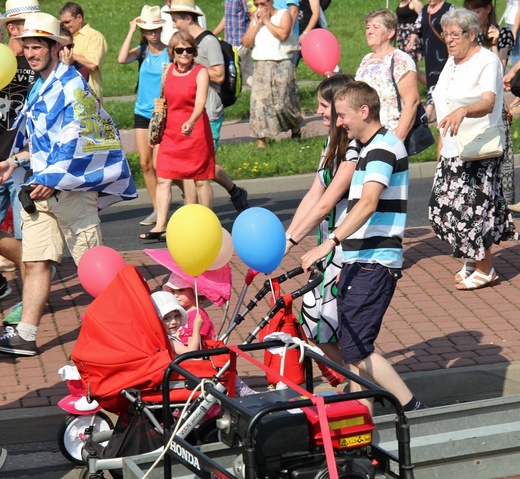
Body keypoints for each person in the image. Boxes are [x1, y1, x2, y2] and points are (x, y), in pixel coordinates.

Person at [0, 12, 137, 356]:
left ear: (54, 48)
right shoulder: (39, 87)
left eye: (37, 47)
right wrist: (15, 161)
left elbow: (84, 140)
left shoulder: (74, 85)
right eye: (27, 46)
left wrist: (51, 177)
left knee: (94, 269)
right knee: (34, 261)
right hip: (41, 192)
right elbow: (44, 143)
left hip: (71, 194)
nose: (30, 53)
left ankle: (127, 332)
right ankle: (27, 335)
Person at [301, 81, 424, 413]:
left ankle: (409, 405)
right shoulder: (367, 148)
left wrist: (329, 242)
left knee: (357, 349)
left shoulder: (383, 148)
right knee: (353, 346)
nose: (339, 122)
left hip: (374, 261)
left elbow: (368, 203)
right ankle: (361, 415)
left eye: (343, 115)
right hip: (360, 260)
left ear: (364, 112)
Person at [429, 8, 517, 291]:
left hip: (478, 147)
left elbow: (489, 102)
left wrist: (464, 110)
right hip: (453, 147)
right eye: (446, 35)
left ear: (472, 34)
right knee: (440, 209)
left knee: (472, 212)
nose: (449, 40)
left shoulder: (487, 61)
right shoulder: (452, 62)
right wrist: (442, 145)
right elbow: (444, 102)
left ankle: (485, 267)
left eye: (456, 35)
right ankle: (470, 255)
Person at [284, 74, 358, 367]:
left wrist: (290, 241)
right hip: (326, 246)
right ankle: (353, 384)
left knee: (331, 328)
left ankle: (360, 388)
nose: (319, 111)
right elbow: (314, 195)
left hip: (347, 246)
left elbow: (326, 203)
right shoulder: (330, 144)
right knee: (315, 325)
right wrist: (287, 235)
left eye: (324, 105)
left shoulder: (354, 149)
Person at [167, 0, 250, 213]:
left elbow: (219, 75)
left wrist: (192, 67)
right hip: (188, 114)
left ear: (187, 18)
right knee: (197, 168)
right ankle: (231, 192)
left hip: (209, 112)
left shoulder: (208, 41)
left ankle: (211, 207)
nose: (174, 25)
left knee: (202, 169)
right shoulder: (187, 42)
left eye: (176, 20)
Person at [140, 30, 215, 241]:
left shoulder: (200, 72)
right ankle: (161, 225)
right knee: (163, 178)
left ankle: (207, 222)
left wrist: (191, 121)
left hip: (195, 130)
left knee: (200, 179)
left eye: (189, 50)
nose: (185, 54)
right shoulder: (168, 70)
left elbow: (200, 102)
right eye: (180, 50)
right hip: (171, 132)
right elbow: (163, 100)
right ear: (172, 52)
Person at [0, 0, 42, 301]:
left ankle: (32, 302)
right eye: (27, 24)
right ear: (12, 28)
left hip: (24, 163)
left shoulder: (40, 62)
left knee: (29, 236)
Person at [162, 272, 256, 396]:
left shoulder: (197, 317)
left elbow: (192, 349)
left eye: (181, 290)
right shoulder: (180, 314)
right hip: (189, 360)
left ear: (195, 290)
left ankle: (243, 391)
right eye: (173, 292)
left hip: (200, 360)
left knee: (227, 377)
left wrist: (195, 327)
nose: (176, 295)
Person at [118, 5, 169, 228]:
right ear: (144, 31)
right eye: (149, 30)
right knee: (145, 164)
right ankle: (157, 209)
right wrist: (131, 30)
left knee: (160, 166)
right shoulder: (142, 51)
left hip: (161, 113)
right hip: (142, 113)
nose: (153, 34)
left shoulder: (170, 50)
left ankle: (180, 192)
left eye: (156, 29)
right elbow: (121, 59)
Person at [463, 0, 515, 207]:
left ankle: (501, 204)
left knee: (497, 154)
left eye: (476, 10)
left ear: (488, 9)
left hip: (492, 102)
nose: (473, 14)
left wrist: (493, 44)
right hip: (471, 99)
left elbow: (499, 72)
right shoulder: (467, 36)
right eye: (470, 10)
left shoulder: (502, 34)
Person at [242, 0, 303, 148]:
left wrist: (267, 21)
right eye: (257, 4)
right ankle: (261, 142)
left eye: (263, 3)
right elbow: (246, 42)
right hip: (261, 64)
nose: (260, 7)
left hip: (281, 63)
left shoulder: (283, 14)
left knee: (283, 104)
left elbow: (283, 34)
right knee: (259, 104)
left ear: (271, 2)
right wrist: (256, 25)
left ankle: (295, 128)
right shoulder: (256, 19)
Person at [355, 9, 421, 144]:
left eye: (375, 27)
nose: (369, 31)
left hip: (388, 137)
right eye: (368, 27)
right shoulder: (366, 59)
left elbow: (412, 102)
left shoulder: (399, 59)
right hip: (363, 138)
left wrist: (397, 141)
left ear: (390, 33)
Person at [406, 0, 454, 122]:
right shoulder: (424, 10)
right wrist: (411, 41)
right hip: (430, 51)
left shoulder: (448, 8)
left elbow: (455, 27)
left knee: (445, 77)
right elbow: (417, 27)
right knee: (432, 78)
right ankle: (431, 106)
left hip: (445, 50)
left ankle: (434, 107)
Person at [59, 2, 108, 100]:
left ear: (79, 18)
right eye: (62, 23)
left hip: (89, 95)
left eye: (67, 22)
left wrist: (70, 54)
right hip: (67, 91)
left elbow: (93, 64)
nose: (65, 26)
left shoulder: (94, 36)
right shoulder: (63, 35)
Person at [213, 0, 256, 88]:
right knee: (248, 75)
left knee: (228, 74)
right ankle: (263, 92)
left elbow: (253, 17)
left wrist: (251, 37)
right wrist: (213, 34)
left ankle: (225, 99)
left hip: (240, 43)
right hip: (229, 43)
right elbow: (227, 17)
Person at [396, 0, 426, 85]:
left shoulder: (415, 3)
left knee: (413, 70)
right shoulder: (401, 2)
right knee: (407, 68)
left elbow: (423, 19)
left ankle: (433, 87)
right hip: (402, 38)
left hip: (410, 38)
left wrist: (414, 38)